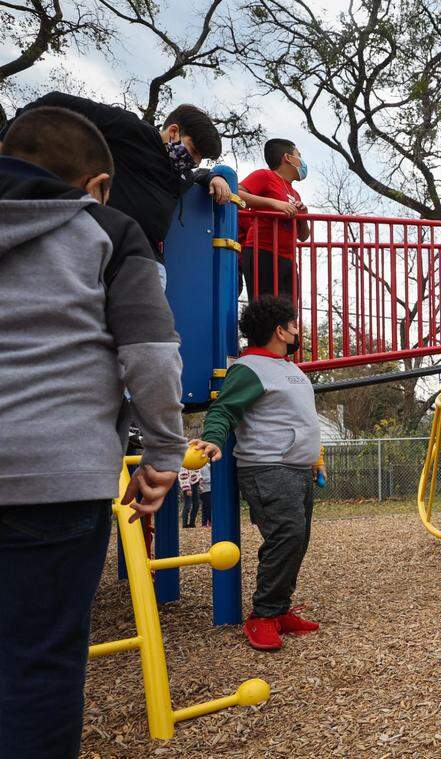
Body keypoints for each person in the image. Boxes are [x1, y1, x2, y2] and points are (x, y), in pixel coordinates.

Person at [0, 107, 185, 758]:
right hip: (55, 472)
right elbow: (152, 356)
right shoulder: (107, 229)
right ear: (98, 184)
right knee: (40, 665)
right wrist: (163, 452)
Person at [188, 296, 322, 652]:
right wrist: (214, 440)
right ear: (280, 330)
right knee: (286, 536)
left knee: (297, 538)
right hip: (268, 466)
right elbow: (223, 410)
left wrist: (315, 457)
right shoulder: (250, 369)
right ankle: (262, 616)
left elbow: (300, 419)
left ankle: (279, 610)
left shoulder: (288, 368)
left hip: (296, 468)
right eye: (293, 324)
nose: (298, 329)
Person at [0, 91, 229, 288]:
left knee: (144, 331)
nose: (196, 161)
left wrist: (213, 176)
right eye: (194, 150)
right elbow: (56, 102)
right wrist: (8, 138)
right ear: (173, 131)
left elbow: (197, 175)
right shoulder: (131, 129)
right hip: (101, 247)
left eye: (201, 158)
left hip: (147, 262)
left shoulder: (180, 174)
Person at [237, 138, 311, 298]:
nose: (302, 161)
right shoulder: (264, 176)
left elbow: (303, 236)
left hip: (288, 259)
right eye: (299, 155)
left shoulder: (294, 193)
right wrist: (275, 204)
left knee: (289, 316)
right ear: (288, 158)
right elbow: (236, 193)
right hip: (263, 252)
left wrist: (303, 217)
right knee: (266, 312)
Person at [199, 462, 213, 527]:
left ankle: (204, 523)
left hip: (209, 488)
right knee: (207, 506)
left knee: (205, 506)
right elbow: (200, 478)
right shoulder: (198, 466)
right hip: (204, 489)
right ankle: (209, 521)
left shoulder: (208, 465)